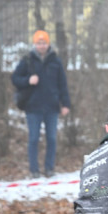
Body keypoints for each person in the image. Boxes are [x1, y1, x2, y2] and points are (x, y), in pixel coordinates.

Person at [11, 30, 71, 177]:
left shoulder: (56, 61)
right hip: (33, 107)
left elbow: (62, 84)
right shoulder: (27, 60)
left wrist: (65, 104)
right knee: (33, 139)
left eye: (44, 42)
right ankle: (34, 170)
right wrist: (28, 81)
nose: (42, 45)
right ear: (34, 44)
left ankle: (49, 169)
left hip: (52, 107)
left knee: (51, 139)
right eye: (39, 43)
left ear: (48, 44)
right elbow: (15, 78)